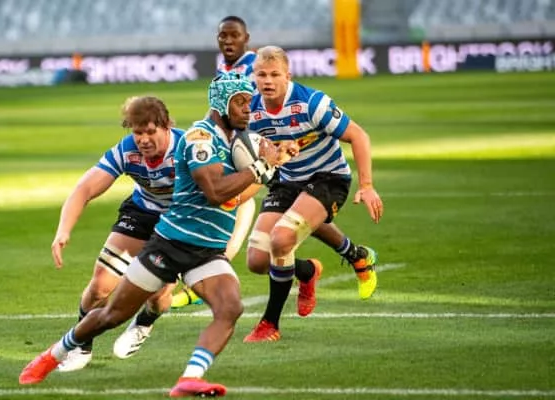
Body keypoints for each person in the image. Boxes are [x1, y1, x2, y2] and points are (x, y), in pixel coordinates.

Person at [19, 72, 295, 397]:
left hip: (207, 250)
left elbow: (241, 187)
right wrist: (261, 168)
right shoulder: (200, 138)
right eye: (241, 102)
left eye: (250, 102)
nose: (249, 109)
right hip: (172, 242)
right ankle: (53, 355)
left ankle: (189, 378)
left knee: (230, 308)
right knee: (111, 314)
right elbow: (215, 192)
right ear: (222, 104)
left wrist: (276, 159)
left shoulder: (236, 139)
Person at [50, 95, 259, 373]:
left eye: (150, 132)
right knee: (100, 285)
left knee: (159, 295)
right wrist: (63, 231)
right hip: (143, 213)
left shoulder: (193, 145)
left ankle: (144, 323)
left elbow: (237, 190)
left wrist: (227, 244)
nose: (143, 140)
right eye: (138, 133)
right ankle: (81, 345)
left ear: (167, 126)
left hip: (182, 222)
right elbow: (85, 189)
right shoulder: (126, 151)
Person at [243, 46, 384, 343]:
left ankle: (270, 324)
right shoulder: (250, 109)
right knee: (257, 260)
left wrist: (367, 185)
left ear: (288, 75)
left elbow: (358, 135)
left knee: (282, 238)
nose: (267, 81)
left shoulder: (311, 103)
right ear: (253, 76)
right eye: (261, 75)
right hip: (288, 180)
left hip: (328, 177)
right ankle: (309, 270)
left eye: (275, 74)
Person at [169, 15, 257, 309]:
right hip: (237, 147)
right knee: (264, 233)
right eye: (223, 36)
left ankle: (203, 277)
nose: (228, 41)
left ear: (246, 38)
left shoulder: (253, 67)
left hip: (252, 147)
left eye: (234, 35)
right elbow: (217, 111)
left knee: (238, 203)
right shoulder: (227, 68)